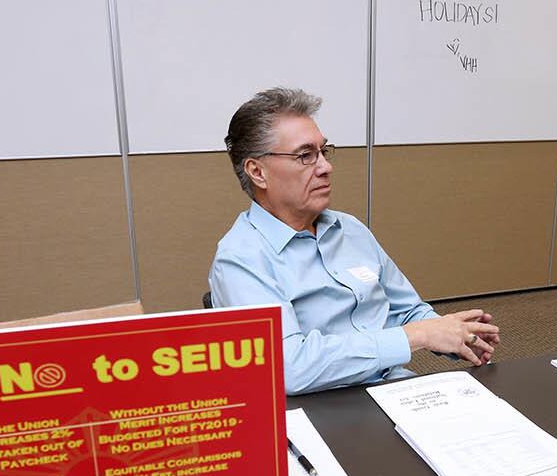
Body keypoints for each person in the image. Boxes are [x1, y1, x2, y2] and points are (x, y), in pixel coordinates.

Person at [209, 87, 500, 395]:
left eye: (323, 151)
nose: (325, 167)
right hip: (321, 408)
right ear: (258, 172)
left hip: (393, 389)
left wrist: (454, 333)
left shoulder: (350, 229)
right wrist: (417, 336)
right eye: (305, 155)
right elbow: (289, 369)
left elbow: (406, 311)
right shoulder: (240, 259)